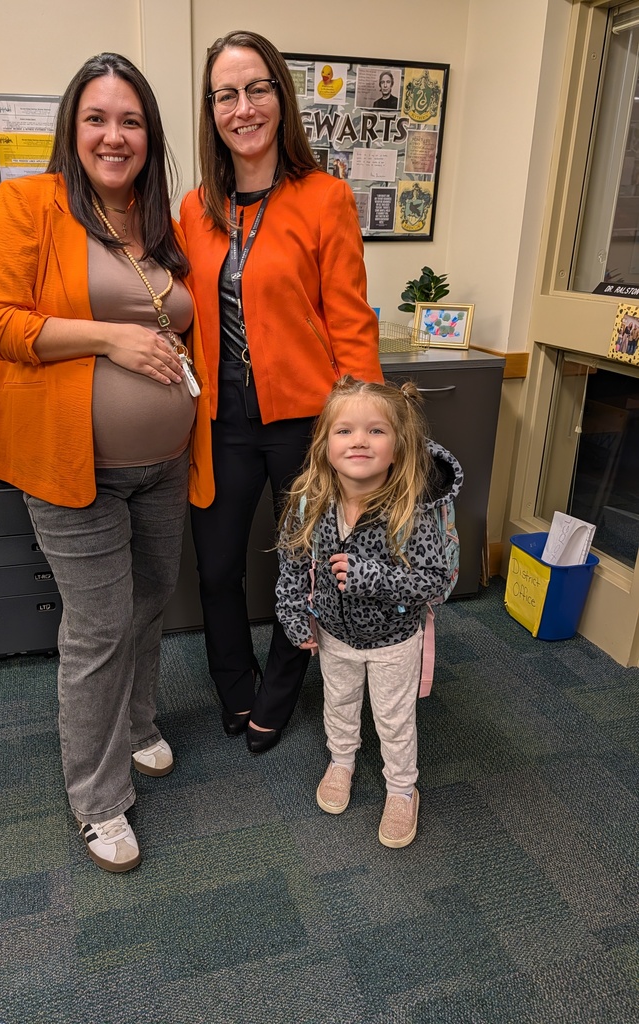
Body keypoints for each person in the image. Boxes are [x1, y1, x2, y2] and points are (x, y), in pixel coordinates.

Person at [0, 53, 213, 873]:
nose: (115, 135)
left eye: (131, 120)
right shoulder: (30, 204)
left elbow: (183, 317)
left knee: (148, 605)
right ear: (74, 129)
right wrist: (110, 338)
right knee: (99, 628)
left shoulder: (162, 218)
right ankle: (96, 799)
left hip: (163, 461)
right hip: (74, 466)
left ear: (150, 135)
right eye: (98, 119)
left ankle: (139, 725)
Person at [180, 30, 383, 755]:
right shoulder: (194, 209)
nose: (243, 107)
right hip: (219, 422)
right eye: (227, 94)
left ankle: (275, 693)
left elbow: (351, 322)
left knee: (302, 570)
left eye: (257, 88)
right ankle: (232, 686)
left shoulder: (323, 197)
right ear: (211, 111)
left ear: (280, 97)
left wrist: (365, 433)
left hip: (305, 422)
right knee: (217, 568)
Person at [275, 377, 463, 847]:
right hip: (334, 635)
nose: (359, 440)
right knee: (338, 705)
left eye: (376, 431)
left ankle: (402, 789)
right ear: (324, 446)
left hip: (395, 641)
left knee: (393, 719)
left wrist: (370, 577)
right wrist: (295, 615)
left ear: (399, 448)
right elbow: (293, 566)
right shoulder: (310, 502)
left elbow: (435, 579)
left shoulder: (411, 511)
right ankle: (341, 762)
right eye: (345, 431)